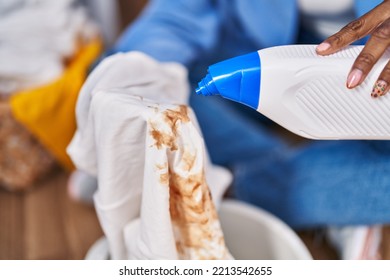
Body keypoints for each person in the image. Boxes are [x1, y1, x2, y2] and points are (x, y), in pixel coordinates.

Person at [70, 0, 390, 258]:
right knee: (114, 72)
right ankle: (327, 188)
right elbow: (178, 16)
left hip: (374, 89)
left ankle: (229, 185)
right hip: (267, 67)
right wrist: (134, 89)